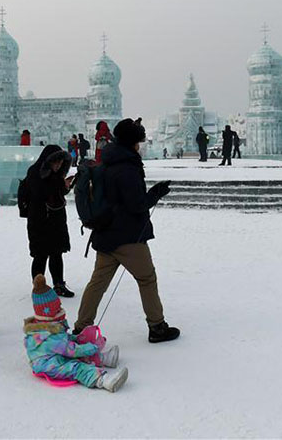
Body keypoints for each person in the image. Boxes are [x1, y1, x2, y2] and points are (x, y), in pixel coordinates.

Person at [73, 117, 180, 344]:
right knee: (147, 278)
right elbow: (136, 204)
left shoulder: (108, 162)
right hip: (128, 236)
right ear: (133, 143)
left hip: (106, 232)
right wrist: (156, 193)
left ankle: (81, 327)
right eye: (138, 141)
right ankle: (157, 326)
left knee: (98, 283)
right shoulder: (127, 168)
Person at [24, 275, 128, 392]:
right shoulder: (48, 338)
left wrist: (76, 338)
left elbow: (63, 340)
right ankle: (104, 380)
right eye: (58, 308)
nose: (61, 310)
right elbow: (72, 350)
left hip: (56, 356)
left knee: (80, 353)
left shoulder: (48, 329)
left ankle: (105, 359)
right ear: (49, 313)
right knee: (77, 367)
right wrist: (93, 347)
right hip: (50, 366)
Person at [24, 144, 76, 298]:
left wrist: (65, 186)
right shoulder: (35, 173)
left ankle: (59, 284)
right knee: (40, 255)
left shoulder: (56, 175)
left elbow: (58, 194)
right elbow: (40, 193)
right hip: (40, 220)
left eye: (61, 162)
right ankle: (38, 287)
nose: (58, 165)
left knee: (57, 253)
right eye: (55, 162)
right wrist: (59, 183)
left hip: (56, 219)